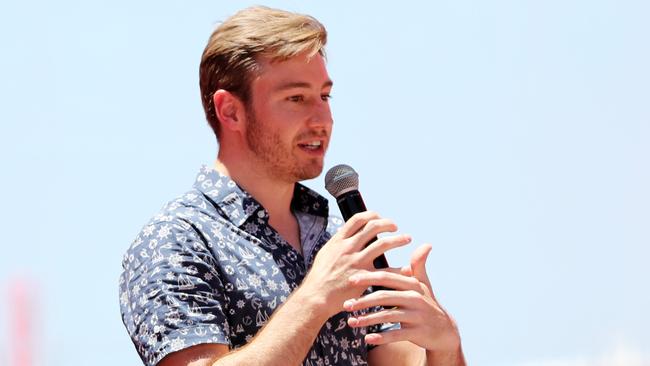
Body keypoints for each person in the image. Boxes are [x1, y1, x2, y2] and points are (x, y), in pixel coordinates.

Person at [119, 6, 466, 366]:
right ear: (231, 111)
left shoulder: (338, 243)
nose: (323, 119)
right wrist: (315, 298)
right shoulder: (176, 240)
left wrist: (443, 345)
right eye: (296, 98)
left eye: (325, 96)